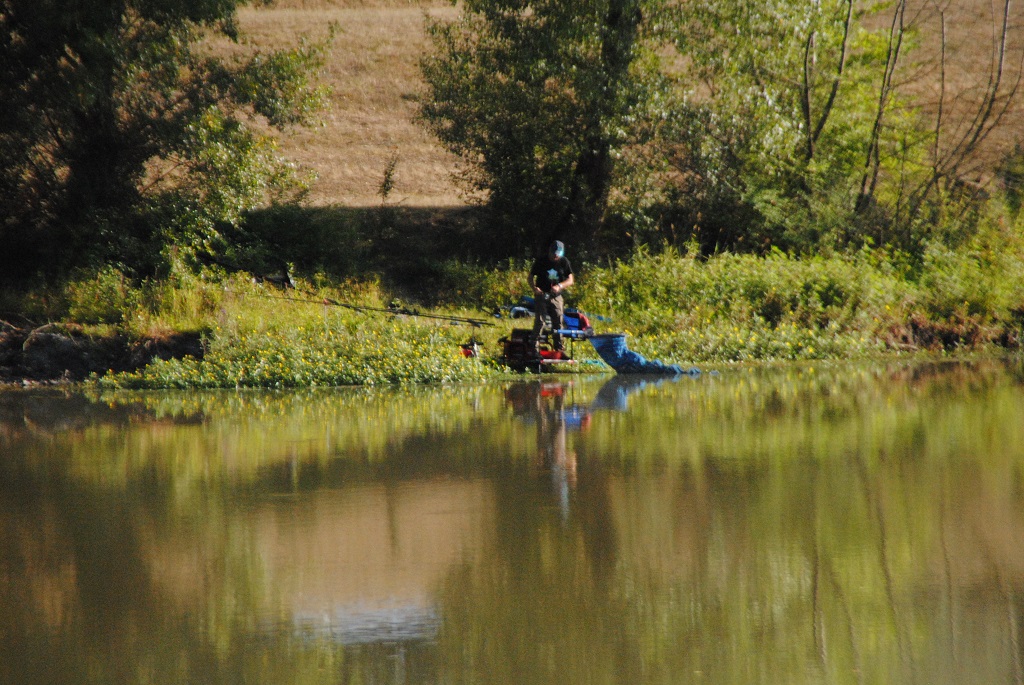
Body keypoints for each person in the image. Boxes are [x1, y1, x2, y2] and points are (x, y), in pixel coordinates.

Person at [529, 240, 575, 352]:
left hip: (556, 296)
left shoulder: (564, 262)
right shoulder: (541, 261)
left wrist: (559, 286)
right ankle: (534, 346)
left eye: (558, 253)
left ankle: (559, 347)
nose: (555, 255)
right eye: (554, 252)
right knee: (540, 321)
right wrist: (535, 288)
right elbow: (530, 277)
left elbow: (570, 280)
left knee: (558, 320)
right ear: (549, 251)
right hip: (542, 294)